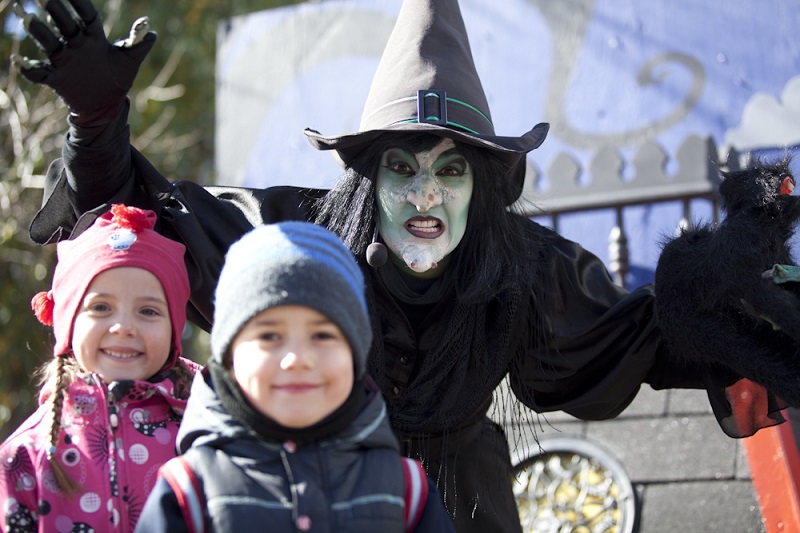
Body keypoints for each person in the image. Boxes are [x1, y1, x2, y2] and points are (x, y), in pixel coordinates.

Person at [13, 0, 797, 531]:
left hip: (465, 507)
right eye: (403, 167)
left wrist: (731, 295)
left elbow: (640, 336)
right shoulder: (298, 240)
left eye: (452, 170)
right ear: (369, 178)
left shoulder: (523, 270)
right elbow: (147, 235)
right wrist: (97, 122)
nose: (426, 194)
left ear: (479, 188)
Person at [133, 221, 455, 532]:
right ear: (229, 359)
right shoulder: (189, 492)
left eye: (323, 336)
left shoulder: (407, 494)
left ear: (356, 356)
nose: (297, 359)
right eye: (270, 336)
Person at [0, 203, 199, 532]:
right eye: (101, 307)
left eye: (148, 311)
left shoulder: (203, 431)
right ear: (68, 322)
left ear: (174, 329)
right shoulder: (23, 457)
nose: (123, 327)